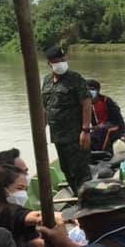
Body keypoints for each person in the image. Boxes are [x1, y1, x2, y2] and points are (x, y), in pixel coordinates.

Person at [42, 45, 92, 196]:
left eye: (63, 59)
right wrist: (41, 131)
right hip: (58, 136)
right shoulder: (47, 80)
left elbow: (86, 105)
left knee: (80, 170)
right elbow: (44, 108)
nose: (61, 63)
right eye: (57, 61)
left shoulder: (75, 79)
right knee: (66, 169)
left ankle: (88, 202)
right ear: (49, 63)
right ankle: (78, 197)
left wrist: (85, 130)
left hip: (76, 135)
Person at [86, 79, 125, 151]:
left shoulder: (106, 100)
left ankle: (101, 151)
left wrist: (124, 132)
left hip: (113, 126)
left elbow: (118, 118)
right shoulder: (86, 103)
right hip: (98, 129)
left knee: (103, 130)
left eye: (91, 89)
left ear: (97, 90)